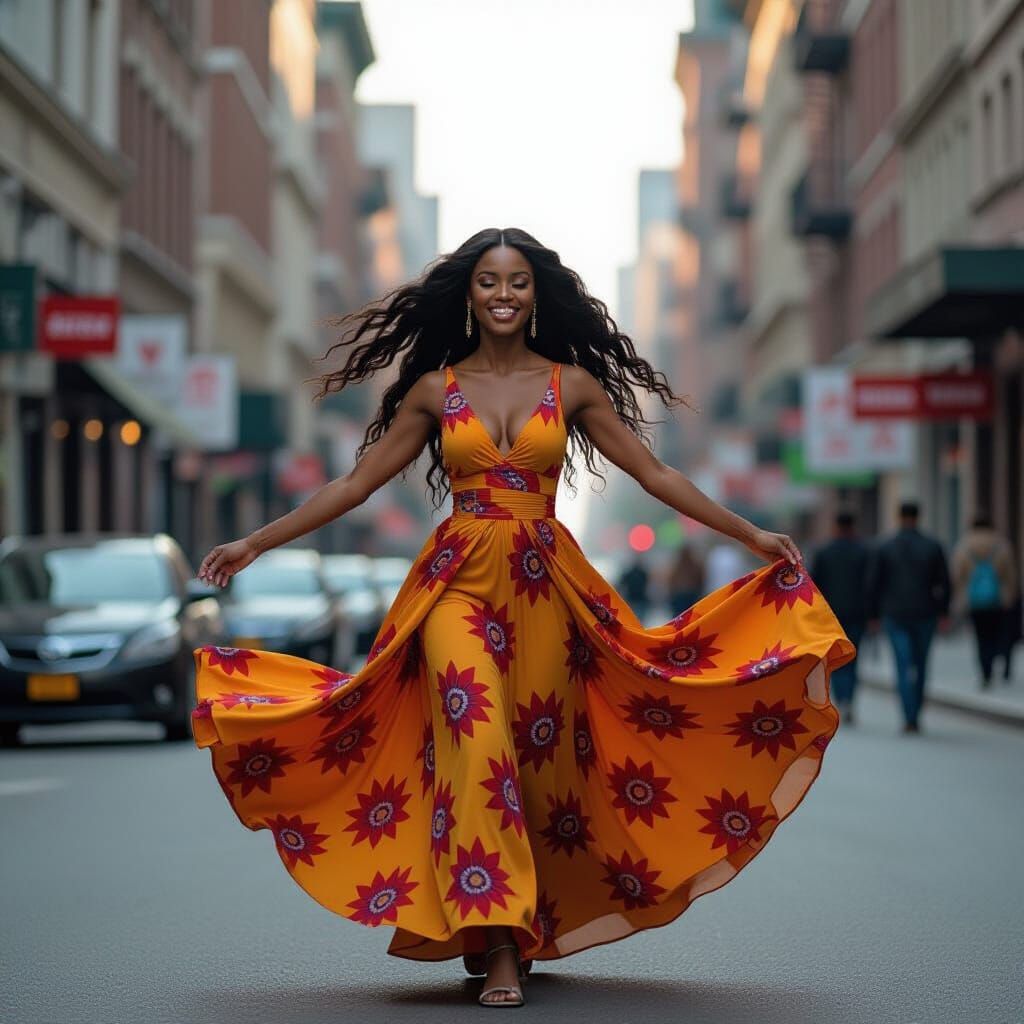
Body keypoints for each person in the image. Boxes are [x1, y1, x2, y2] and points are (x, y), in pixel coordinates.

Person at [193, 228, 855, 1008]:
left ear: (536, 293)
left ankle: (511, 921)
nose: (503, 295)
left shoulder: (571, 386)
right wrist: (255, 542)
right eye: (488, 282)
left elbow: (653, 472)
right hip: (456, 588)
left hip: (546, 591)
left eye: (517, 282)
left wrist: (749, 534)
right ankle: (502, 946)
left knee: (537, 767)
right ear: (468, 296)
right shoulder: (434, 390)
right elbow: (354, 485)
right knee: (479, 748)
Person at [866, 500, 951, 735]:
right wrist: (944, 612)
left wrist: (873, 615)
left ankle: (908, 715)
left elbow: (874, 584)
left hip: (895, 614)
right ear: (918, 516)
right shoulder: (932, 546)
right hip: (925, 613)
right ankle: (916, 711)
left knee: (902, 664)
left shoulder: (885, 547)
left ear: (899, 517)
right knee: (921, 664)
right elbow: (944, 582)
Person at [810, 510, 871, 725]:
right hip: (857, 613)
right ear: (853, 526)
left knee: (835, 659)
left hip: (831, 616)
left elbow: (814, 586)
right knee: (853, 658)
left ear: (835, 526)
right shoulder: (864, 551)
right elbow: (870, 584)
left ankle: (841, 699)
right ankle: (849, 700)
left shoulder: (824, 552)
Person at [950, 514, 1019, 688]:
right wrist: (1011, 594)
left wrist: (960, 596)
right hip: (999, 599)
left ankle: (985, 671)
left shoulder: (964, 545)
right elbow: (1010, 573)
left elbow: (957, 575)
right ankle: (1001, 660)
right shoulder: (1001, 545)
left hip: (974, 600)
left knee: (981, 637)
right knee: (999, 632)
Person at [667, 542, 705, 613]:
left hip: (678, 597)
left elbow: (671, 583)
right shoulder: (695, 567)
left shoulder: (677, 568)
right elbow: (700, 582)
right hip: (691, 597)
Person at [616, 556, 651, 623]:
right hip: (640, 598)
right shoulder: (643, 573)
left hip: (632, 598)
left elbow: (621, 584)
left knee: (631, 618)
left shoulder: (629, 573)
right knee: (640, 619)